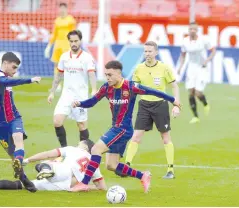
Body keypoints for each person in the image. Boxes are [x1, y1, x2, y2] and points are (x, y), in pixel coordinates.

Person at [70, 60, 181, 193]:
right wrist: (80, 103)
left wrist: (173, 100)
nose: (108, 78)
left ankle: (84, 183)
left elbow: (152, 91)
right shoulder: (106, 88)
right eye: (106, 75)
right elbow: (92, 101)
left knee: (95, 149)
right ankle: (143, 176)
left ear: (119, 74)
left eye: (110, 75)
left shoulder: (131, 87)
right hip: (117, 128)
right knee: (112, 165)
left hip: (123, 129)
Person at [124, 41, 181, 180]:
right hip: (144, 105)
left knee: (165, 137)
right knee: (136, 136)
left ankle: (170, 170)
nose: (147, 54)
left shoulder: (164, 68)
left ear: (156, 52)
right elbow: (133, 89)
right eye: (145, 51)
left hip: (160, 106)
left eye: (150, 51)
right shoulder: (139, 68)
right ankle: (126, 167)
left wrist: (176, 105)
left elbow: (175, 86)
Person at [0, 52, 41, 192]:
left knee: (18, 139)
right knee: (12, 153)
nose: (15, 71)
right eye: (14, 67)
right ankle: (24, 179)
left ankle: (19, 161)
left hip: (14, 118)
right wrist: (29, 80)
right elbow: (1, 85)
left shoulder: (5, 77)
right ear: (5, 63)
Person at [0, 140, 106, 192]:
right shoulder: (95, 164)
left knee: (44, 164)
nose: (78, 144)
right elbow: (102, 188)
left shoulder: (72, 149)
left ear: (85, 147)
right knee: (28, 186)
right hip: (65, 186)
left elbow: (47, 154)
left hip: (62, 172)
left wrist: (27, 160)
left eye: (80, 143)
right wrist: (84, 187)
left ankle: (45, 170)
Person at [47, 30, 97, 147]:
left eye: (76, 41)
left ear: (80, 41)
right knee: (57, 121)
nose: (74, 43)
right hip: (66, 95)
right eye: (71, 41)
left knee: (82, 126)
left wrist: (94, 89)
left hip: (80, 97)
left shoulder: (87, 58)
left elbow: (91, 74)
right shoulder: (64, 57)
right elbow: (59, 75)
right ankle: (64, 150)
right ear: (68, 42)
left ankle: (83, 152)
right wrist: (52, 92)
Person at [177, 22, 216, 124]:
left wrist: (207, 60)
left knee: (198, 93)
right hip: (191, 68)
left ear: (197, 30)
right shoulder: (185, 41)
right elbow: (183, 55)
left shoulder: (203, 40)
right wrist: (180, 67)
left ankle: (205, 103)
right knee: (191, 92)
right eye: (190, 29)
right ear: (188, 30)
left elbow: (213, 51)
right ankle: (195, 116)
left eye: (194, 29)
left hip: (202, 68)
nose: (192, 31)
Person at [44, 2, 76, 92]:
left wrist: (73, 45)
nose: (61, 10)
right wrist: (49, 46)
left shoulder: (71, 20)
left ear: (66, 9)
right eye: (60, 8)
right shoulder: (57, 20)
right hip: (58, 46)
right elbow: (54, 34)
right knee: (57, 65)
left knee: (69, 66)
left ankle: (70, 85)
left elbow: (74, 34)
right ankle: (57, 85)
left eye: (63, 8)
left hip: (67, 46)